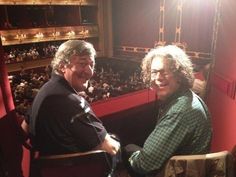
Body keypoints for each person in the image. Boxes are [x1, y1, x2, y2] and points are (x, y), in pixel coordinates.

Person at [123, 45, 212, 176]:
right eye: (154, 72)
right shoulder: (188, 97)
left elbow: (145, 164)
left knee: (128, 149)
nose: (158, 77)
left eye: (165, 71)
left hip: (178, 173)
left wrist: (128, 156)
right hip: (189, 170)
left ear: (180, 75)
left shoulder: (179, 111)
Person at [25, 40, 120, 156]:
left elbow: (25, 128)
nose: (90, 72)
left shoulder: (45, 90)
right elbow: (111, 149)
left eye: (92, 65)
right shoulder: (70, 101)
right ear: (62, 66)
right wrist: (117, 143)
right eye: (82, 64)